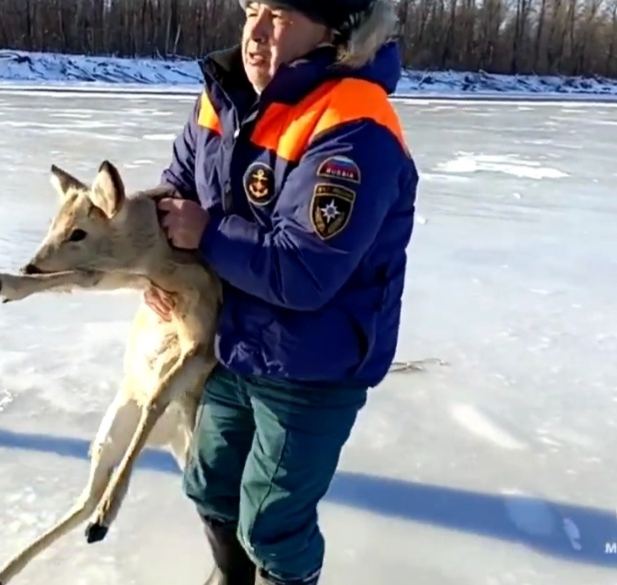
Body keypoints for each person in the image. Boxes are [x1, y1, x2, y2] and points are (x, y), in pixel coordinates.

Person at [150, 0, 418, 583]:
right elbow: (176, 189)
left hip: (312, 365)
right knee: (211, 484)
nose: (256, 32)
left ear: (333, 31)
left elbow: (306, 271)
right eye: (251, 10)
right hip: (233, 342)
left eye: (280, 15)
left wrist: (206, 231)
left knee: (272, 522)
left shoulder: (355, 122)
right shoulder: (224, 95)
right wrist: (161, 268)